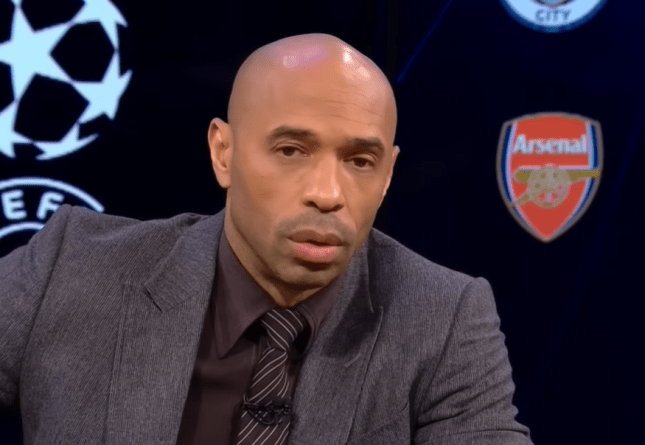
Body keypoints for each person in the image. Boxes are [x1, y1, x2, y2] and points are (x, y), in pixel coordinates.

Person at [0, 33, 532, 444]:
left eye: (359, 161)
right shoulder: (72, 268)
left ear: (388, 174)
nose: (327, 194)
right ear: (223, 153)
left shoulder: (443, 320)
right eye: (291, 151)